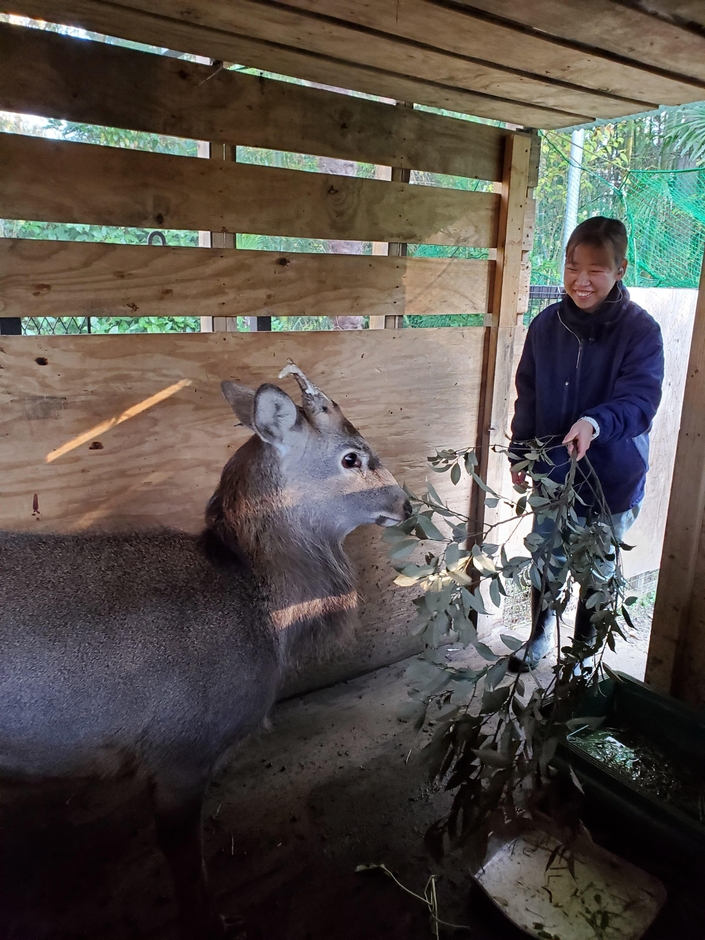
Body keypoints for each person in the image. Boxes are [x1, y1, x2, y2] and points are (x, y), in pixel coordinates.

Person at [507, 217, 664, 673]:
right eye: (573, 267)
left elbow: (640, 402)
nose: (581, 280)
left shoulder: (640, 331)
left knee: (596, 568)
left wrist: (595, 423)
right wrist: (521, 452)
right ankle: (539, 637)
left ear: (620, 270)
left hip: (611, 477)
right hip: (553, 472)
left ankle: (581, 653)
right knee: (547, 558)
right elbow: (528, 393)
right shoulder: (546, 326)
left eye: (596, 270)